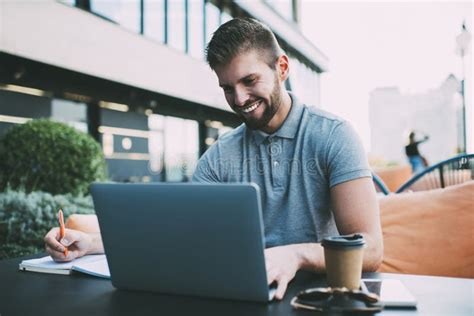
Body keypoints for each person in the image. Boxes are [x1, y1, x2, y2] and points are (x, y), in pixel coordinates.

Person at [44, 18, 383, 300]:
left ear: (281, 68)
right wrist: (90, 244)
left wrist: (296, 254)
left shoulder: (334, 135)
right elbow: (177, 234)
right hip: (239, 298)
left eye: (249, 81)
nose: (239, 99)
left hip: (317, 299)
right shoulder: (221, 154)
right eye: (227, 87)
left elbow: (370, 251)